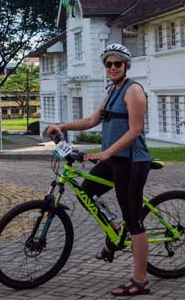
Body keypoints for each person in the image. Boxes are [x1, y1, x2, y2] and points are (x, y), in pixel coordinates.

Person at [45, 43, 152, 297]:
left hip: (132, 162)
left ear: (126, 65)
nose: (113, 67)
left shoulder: (134, 90)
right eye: (108, 64)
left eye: (117, 63)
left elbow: (135, 130)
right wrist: (62, 126)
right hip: (114, 160)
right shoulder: (111, 90)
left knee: (134, 220)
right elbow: (92, 120)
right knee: (87, 191)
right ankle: (115, 234)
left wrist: (106, 153)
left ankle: (140, 280)